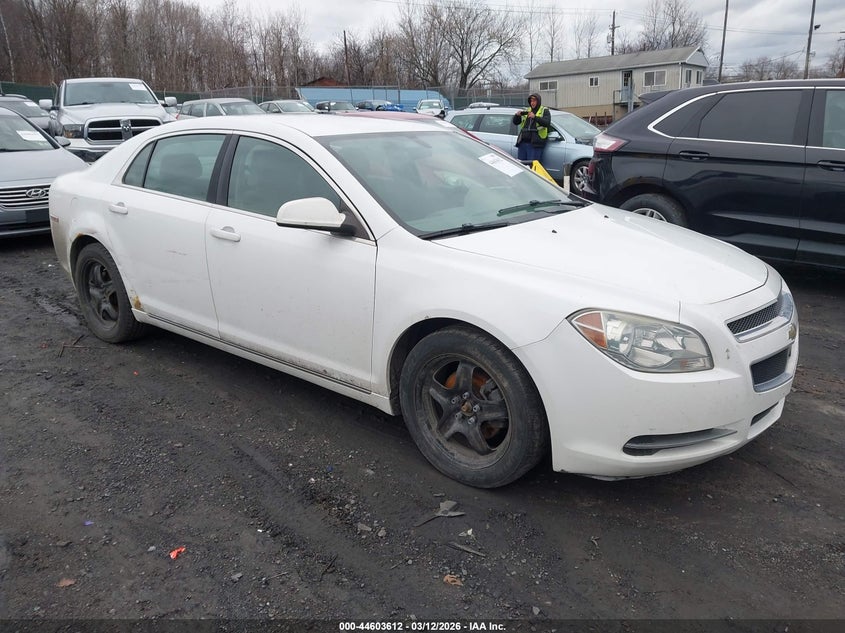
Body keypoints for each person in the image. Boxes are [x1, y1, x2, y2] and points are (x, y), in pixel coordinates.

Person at [512, 93, 551, 162]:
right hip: (522, 143)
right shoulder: (528, 110)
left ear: (538, 101)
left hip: (535, 144)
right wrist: (517, 116)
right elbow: (516, 122)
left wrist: (535, 117)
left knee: (532, 165)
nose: (532, 103)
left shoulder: (544, 110)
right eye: (531, 101)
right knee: (521, 165)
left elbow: (547, 123)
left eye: (534, 101)